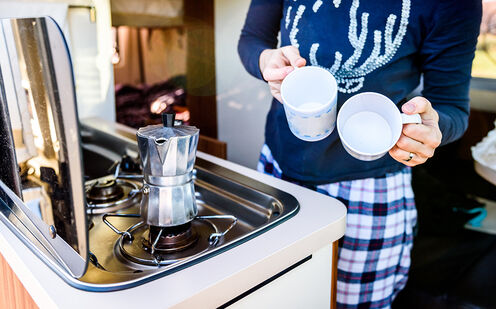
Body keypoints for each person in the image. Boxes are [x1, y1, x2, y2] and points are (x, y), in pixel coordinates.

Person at [238, 0, 482, 308]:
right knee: (272, 297)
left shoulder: (453, 6)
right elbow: (251, 39)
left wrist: (433, 127)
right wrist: (266, 61)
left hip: (371, 188)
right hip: (277, 170)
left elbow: (452, 107)